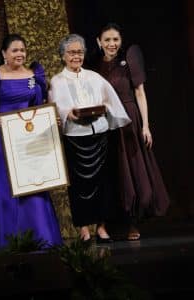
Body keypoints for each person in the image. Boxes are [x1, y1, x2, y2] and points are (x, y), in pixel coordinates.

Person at [0, 34, 62, 250]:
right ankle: (11, 242)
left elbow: (40, 104)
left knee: (35, 181)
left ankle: (43, 238)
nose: (20, 54)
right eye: (14, 50)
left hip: (30, 137)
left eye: (22, 50)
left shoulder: (34, 73)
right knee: (9, 185)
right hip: (3, 137)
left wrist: (52, 117)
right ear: (4, 53)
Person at [90, 22, 170, 240]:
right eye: (107, 39)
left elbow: (140, 93)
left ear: (121, 41)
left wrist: (146, 126)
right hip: (107, 125)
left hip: (130, 123)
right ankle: (109, 224)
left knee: (132, 174)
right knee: (113, 175)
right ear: (99, 42)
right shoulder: (94, 68)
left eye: (115, 39)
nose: (111, 43)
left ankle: (132, 224)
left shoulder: (129, 61)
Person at [48, 34, 131, 243]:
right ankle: (84, 229)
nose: (77, 56)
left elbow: (110, 101)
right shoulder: (57, 81)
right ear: (63, 56)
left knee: (103, 183)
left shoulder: (94, 77)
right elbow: (56, 107)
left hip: (99, 134)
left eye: (80, 52)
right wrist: (69, 112)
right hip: (75, 138)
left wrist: (104, 109)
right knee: (79, 185)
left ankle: (101, 228)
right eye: (72, 52)